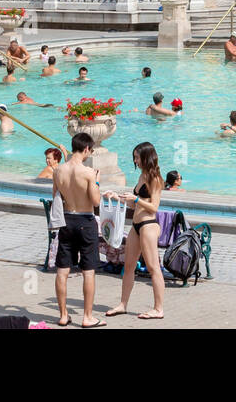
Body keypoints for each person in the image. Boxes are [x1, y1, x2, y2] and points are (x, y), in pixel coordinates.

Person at [105, 142, 167, 320]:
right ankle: (123, 304)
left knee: (153, 267)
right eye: (134, 157)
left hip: (148, 225)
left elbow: (154, 207)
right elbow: (134, 202)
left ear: (146, 157)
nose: (135, 161)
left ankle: (158, 308)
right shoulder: (142, 176)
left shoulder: (155, 179)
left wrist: (137, 200)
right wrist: (117, 197)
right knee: (129, 266)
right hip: (136, 226)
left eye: (137, 157)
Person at [53, 131, 103, 328]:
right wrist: (97, 181)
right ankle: (87, 317)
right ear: (87, 149)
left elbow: (56, 196)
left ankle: (63, 315)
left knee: (62, 270)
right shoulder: (88, 172)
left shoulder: (58, 171)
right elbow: (96, 201)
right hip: (85, 220)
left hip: (66, 219)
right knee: (88, 271)